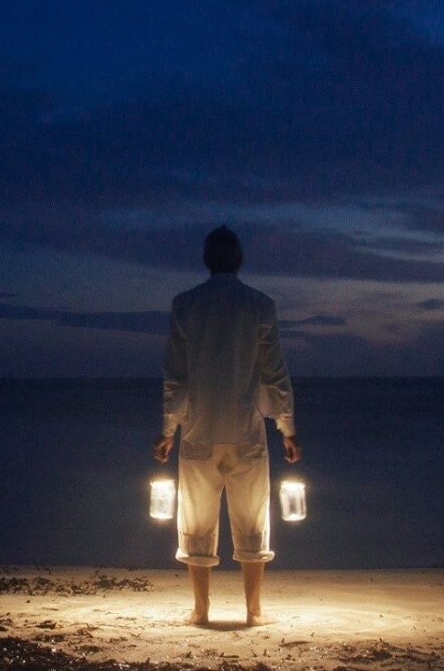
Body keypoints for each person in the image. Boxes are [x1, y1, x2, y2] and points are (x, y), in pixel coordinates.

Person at [154, 225, 301, 627]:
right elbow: (274, 372)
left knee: (196, 522)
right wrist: (286, 427)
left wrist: (168, 430)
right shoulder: (260, 304)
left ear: (207, 260)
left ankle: (201, 610)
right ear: (239, 260)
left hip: (198, 428)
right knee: (253, 520)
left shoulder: (185, 304)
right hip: (246, 428)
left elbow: (175, 376)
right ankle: (254, 611)